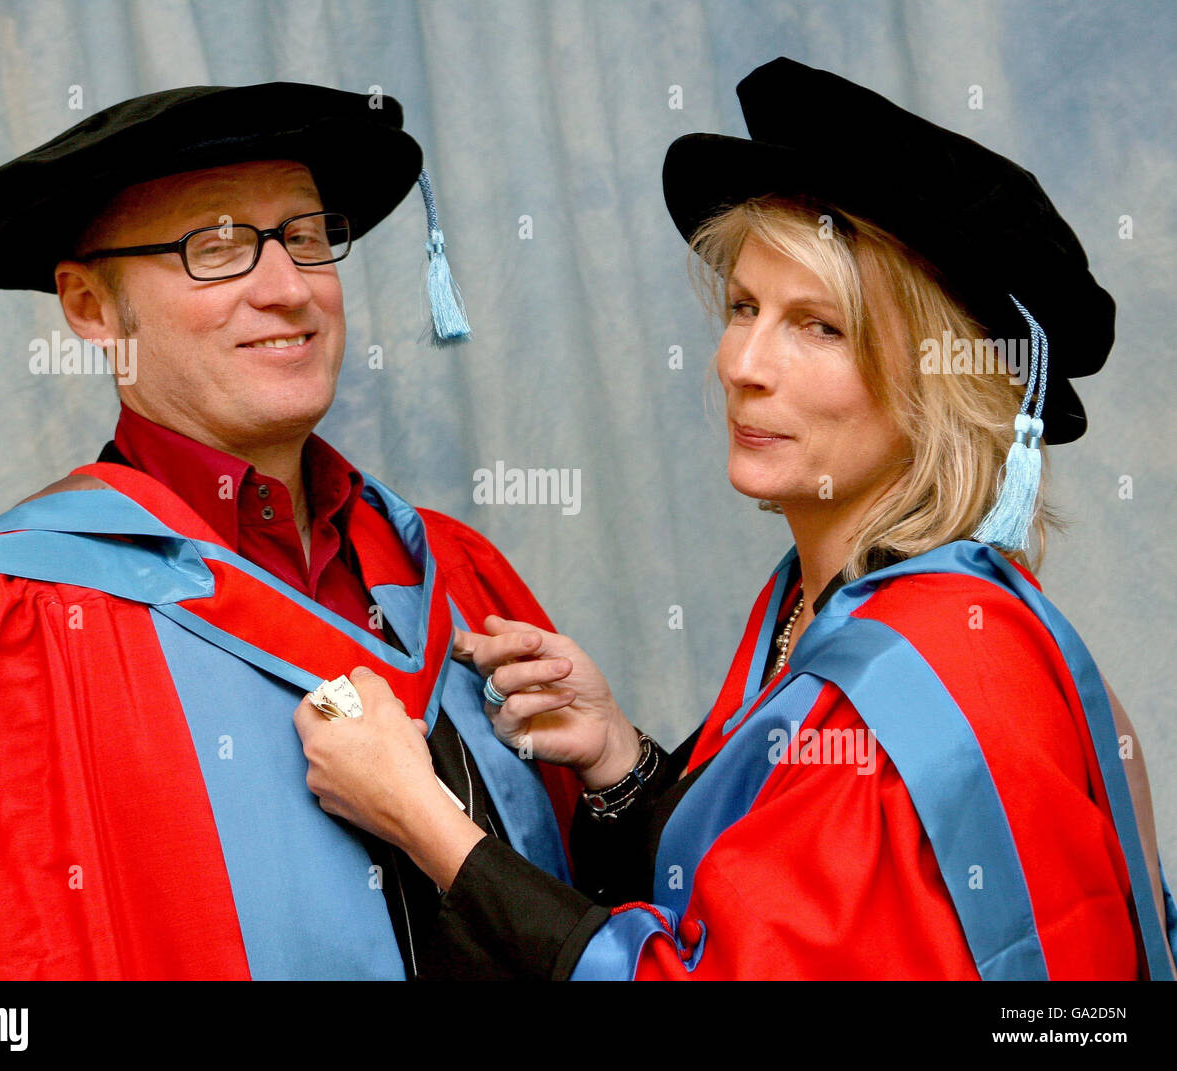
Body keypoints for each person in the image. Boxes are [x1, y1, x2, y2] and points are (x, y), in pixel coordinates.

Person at [293, 57, 1177, 980]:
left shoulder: (934, 670)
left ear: (938, 388)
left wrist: (425, 821)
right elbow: (759, 906)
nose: (741, 362)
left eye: (819, 327)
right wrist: (620, 760)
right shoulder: (823, 606)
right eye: (745, 307)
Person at [0, 82, 581, 980]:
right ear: (92, 308)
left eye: (307, 236)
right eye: (215, 247)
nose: (288, 290)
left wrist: (616, 784)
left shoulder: (457, 572)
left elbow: (593, 926)